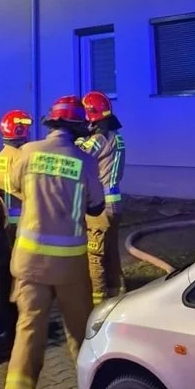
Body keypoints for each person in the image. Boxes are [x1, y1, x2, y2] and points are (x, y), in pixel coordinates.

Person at [1, 95, 104, 389]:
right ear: (77, 128)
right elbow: (95, 206)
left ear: (52, 124)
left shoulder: (28, 153)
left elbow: (16, 188)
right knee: (81, 335)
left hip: (29, 264)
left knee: (29, 332)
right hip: (69, 267)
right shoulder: (85, 161)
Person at [79, 91, 126, 305]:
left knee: (95, 254)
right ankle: (118, 293)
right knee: (112, 251)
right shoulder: (117, 137)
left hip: (101, 207)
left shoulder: (98, 139)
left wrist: (77, 136)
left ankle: (98, 301)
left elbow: (78, 154)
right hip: (115, 203)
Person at [0, 109, 33, 246]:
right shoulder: (22, 156)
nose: (29, 133)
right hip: (25, 217)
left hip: (7, 218)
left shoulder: (0, 157)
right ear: (19, 131)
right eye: (26, 129)